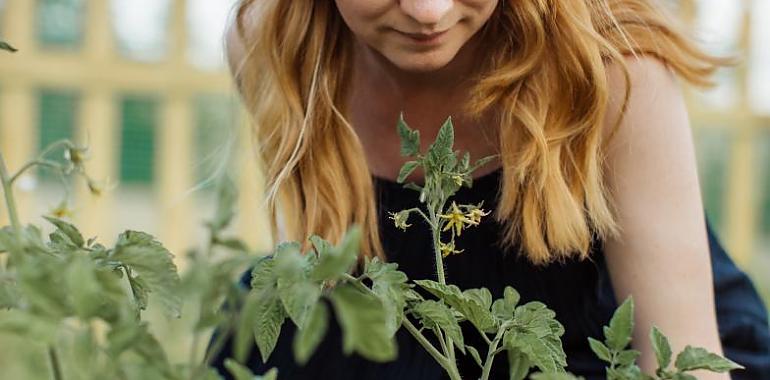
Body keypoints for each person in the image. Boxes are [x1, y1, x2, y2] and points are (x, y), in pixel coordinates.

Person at [213, 1, 770, 379]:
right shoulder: (278, 49)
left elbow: (679, 363)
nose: (427, 12)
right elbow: (323, 261)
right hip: (386, 337)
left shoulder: (613, 72)